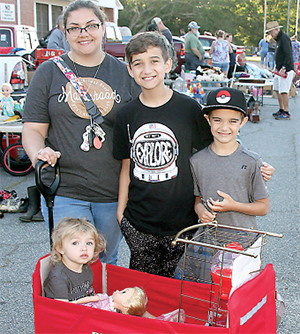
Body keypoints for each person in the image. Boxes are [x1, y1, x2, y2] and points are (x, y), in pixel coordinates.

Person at [113, 32, 274, 278]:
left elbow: (220, 145)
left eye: (154, 61)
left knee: (181, 291)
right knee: (145, 290)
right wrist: (121, 213)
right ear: (130, 69)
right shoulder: (126, 115)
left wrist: (257, 165)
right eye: (138, 63)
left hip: (184, 222)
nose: (147, 69)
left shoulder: (188, 109)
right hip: (139, 222)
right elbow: (127, 165)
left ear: (168, 64)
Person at [22, 0, 141, 265]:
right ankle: (71, 308)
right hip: (64, 188)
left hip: (113, 192)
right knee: (72, 263)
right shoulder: (48, 73)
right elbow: (32, 128)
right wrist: (38, 153)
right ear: (64, 33)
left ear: (103, 28)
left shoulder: (124, 74)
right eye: (74, 28)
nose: (83, 33)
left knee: (105, 260)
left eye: (90, 26)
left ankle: (100, 308)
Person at [175, 88, 269, 281]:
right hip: (209, 244)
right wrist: (201, 211)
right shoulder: (197, 160)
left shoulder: (252, 161)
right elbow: (198, 199)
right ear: (208, 120)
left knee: (240, 293)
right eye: (217, 119)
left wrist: (233, 206)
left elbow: (263, 207)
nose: (224, 127)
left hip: (244, 244)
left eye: (233, 121)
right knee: (208, 293)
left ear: (243, 122)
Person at [44, 217, 106, 302]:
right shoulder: (58, 278)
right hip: (68, 312)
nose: (84, 248)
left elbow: (89, 292)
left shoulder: (85, 267)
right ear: (60, 248)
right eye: (75, 243)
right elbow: (63, 310)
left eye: (89, 243)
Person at [266, 21, 294, 120]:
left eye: (271, 32)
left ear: (277, 29)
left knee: (284, 91)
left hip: (285, 69)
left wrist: (284, 67)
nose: (270, 34)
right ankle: (281, 109)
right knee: (277, 89)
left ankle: (286, 111)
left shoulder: (284, 38)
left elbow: (288, 54)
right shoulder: (278, 39)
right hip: (279, 69)